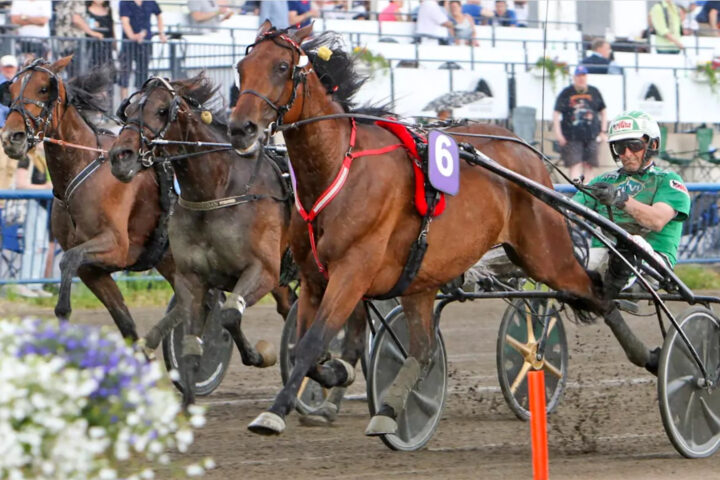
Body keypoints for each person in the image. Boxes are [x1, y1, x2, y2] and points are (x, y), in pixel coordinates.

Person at [572, 110, 690, 373]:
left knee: (631, 239)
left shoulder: (668, 181)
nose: (625, 153)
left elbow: (657, 220)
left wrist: (620, 199)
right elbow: (568, 213)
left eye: (633, 145)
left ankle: (613, 283)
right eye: (619, 147)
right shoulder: (603, 180)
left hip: (651, 262)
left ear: (652, 145)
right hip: (603, 257)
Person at [552, 65, 608, 181]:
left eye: (583, 76)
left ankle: (588, 193)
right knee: (575, 165)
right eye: (579, 76)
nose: (581, 78)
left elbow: (603, 111)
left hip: (591, 135)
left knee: (589, 166)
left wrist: (603, 131)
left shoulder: (594, 91)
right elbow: (556, 114)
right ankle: (575, 191)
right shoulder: (566, 93)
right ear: (574, 77)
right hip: (571, 136)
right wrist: (558, 134)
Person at [13, 146, 53, 298]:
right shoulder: (25, 160)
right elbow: (20, 185)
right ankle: (25, 283)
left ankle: (36, 284)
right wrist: (44, 187)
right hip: (32, 205)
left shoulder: (42, 161)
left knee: (41, 245)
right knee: (32, 245)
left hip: (43, 207)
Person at [117, 0, 166, 100]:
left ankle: (138, 105)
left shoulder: (150, 2)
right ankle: (124, 105)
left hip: (145, 44)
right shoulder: (125, 2)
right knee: (125, 75)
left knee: (142, 76)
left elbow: (159, 15)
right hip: (128, 44)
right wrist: (133, 36)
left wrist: (161, 33)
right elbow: (124, 21)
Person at [0, 55, 18, 219]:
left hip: (14, 130)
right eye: (6, 67)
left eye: (11, 67)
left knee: (11, 167)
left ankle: (3, 204)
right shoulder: (5, 85)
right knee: (1, 165)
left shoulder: (18, 84)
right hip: (2, 128)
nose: (9, 70)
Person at [86, 1, 115, 70]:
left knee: (105, 68)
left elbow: (111, 28)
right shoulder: (86, 10)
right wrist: (91, 25)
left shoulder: (108, 10)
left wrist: (115, 42)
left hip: (106, 46)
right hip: (91, 45)